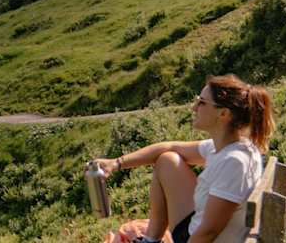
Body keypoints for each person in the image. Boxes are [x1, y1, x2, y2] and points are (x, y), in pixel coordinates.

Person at [93, 75, 274, 243]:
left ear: (223, 114)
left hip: (197, 238)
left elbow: (209, 232)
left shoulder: (234, 162)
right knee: (167, 160)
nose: (194, 107)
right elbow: (169, 147)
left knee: (167, 160)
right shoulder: (230, 147)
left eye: (202, 103)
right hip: (198, 228)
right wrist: (116, 163)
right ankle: (151, 240)